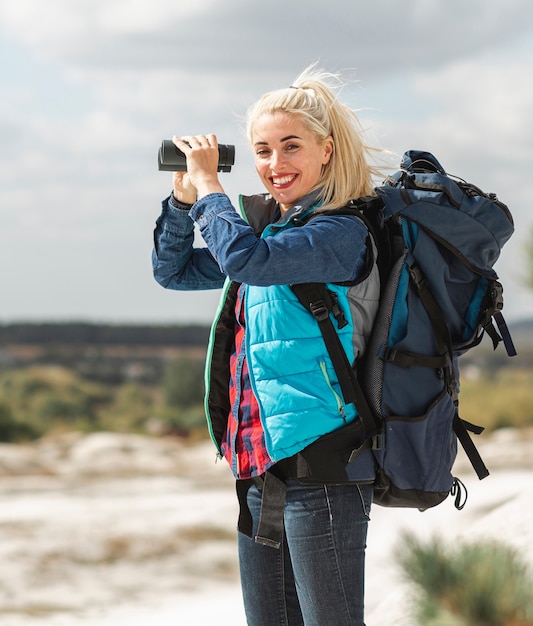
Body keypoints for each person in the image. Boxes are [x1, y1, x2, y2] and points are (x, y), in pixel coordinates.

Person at [152, 65, 385, 625]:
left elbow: (244, 262)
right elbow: (174, 271)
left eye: (290, 147)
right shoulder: (271, 233)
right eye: (262, 150)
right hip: (258, 467)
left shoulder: (338, 233)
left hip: (324, 468)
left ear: (326, 151)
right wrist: (184, 202)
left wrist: (212, 186)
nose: (275, 165)